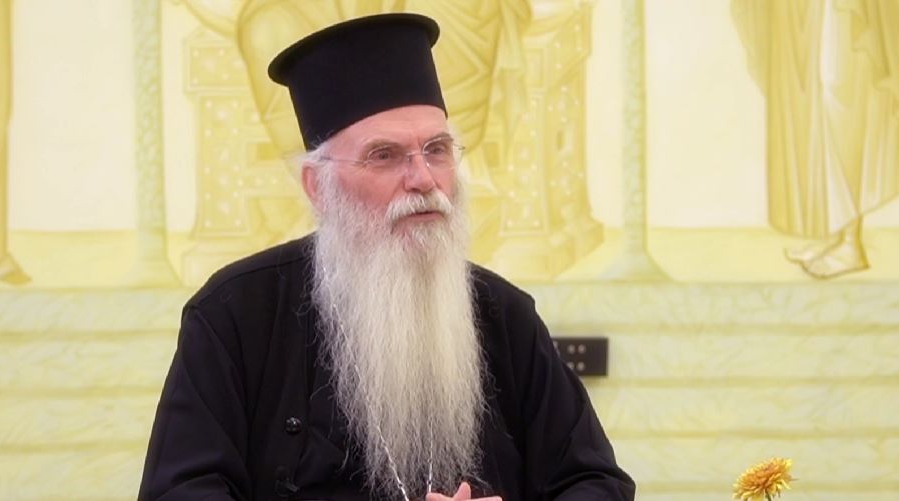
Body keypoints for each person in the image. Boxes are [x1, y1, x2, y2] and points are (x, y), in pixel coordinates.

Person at [138, 13, 635, 501]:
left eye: (437, 150)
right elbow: (179, 491)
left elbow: (596, 482)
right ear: (319, 187)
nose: (424, 179)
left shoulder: (504, 314)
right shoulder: (236, 313)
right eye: (384, 156)